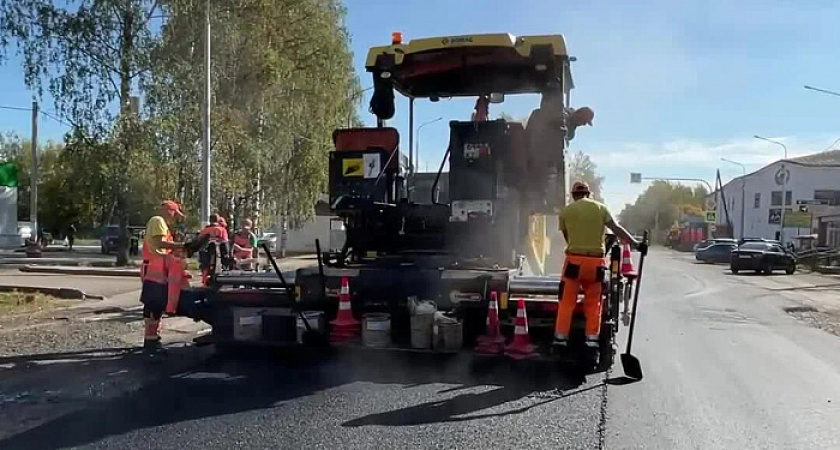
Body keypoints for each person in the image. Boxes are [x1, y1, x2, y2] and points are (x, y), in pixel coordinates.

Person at [553, 181, 641, 349]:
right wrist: (636, 244)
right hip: (595, 263)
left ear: (573, 195)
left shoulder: (566, 212)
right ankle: (592, 340)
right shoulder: (601, 208)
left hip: (573, 262)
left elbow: (568, 237)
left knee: (567, 301)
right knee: (594, 302)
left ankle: (560, 338)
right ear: (589, 193)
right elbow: (616, 229)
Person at [140, 200, 186, 355]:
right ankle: (151, 342)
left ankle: (152, 339)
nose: (174, 217)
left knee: (155, 306)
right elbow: (160, 243)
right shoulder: (158, 221)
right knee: (153, 306)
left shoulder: (159, 223)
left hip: (157, 271)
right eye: (174, 213)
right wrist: (180, 246)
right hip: (155, 271)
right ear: (168, 210)